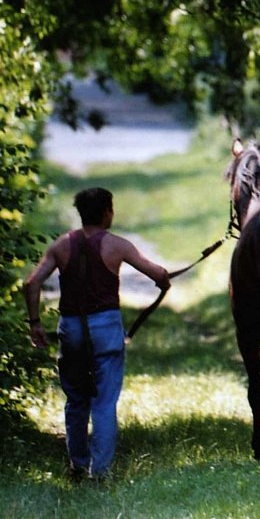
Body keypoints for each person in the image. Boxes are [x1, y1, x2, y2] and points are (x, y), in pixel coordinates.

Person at [24, 187, 170, 482]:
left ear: (80, 213)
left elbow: (31, 284)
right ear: (107, 212)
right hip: (105, 326)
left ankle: (78, 465)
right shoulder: (117, 245)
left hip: (72, 327)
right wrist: (164, 278)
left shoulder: (62, 244)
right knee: (103, 402)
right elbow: (157, 274)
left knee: (76, 400)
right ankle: (99, 472)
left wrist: (35, 323)